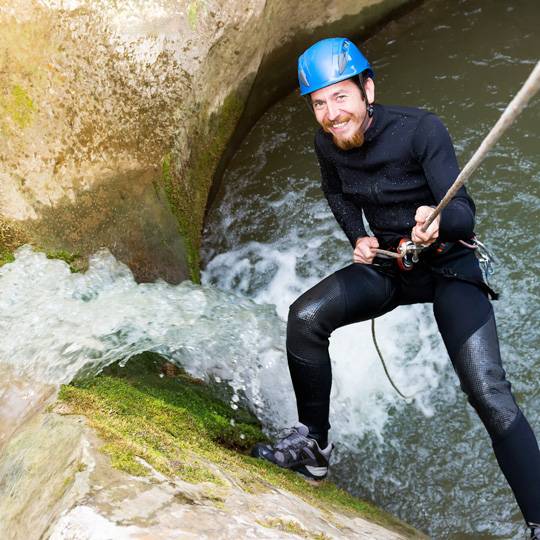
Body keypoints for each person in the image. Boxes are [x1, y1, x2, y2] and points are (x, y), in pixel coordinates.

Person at [251, 37, 540, 536]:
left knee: (489, 392)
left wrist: (438, 218)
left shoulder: (420, 130)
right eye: (319, 103)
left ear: (368, 89)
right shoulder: (327, 143)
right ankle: (314, 446)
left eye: (340, 97)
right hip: (390, 265)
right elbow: (336, 192)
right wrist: (358, 236)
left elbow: (465, 213)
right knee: (305, 318)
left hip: (449, 265)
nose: (331, 113)